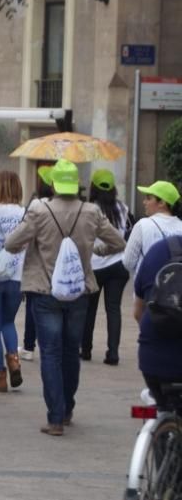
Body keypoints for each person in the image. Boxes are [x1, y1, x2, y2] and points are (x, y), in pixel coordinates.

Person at [5, 159, 125, 436]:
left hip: (45, 292)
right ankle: (68, 409)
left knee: (50, 352)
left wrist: (33, 245)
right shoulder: (91, 211)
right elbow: (118, 242)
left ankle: (55, 418)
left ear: (54, 184)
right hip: (79, 292)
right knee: (71, 352)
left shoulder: (39, 211)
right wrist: (96, 250)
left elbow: (11, 244)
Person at [81, 169, 132, 365]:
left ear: (93, 187)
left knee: (89, 309)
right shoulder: (123, 208)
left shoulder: (88, 209)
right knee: (113, 308)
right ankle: (113, 353)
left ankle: (85, 350)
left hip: (94, 266)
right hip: (118, 265)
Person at [0, 171, 26, 393]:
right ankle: (14, 361)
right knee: (8, 322)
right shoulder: (25, 212)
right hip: (16, 274)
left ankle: (0, 377)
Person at [133, 235, 182, 408]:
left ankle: (158, 426)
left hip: (153, 358)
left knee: (162, 405)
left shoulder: (159, 249)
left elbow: (138, 312)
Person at [20, 165, 56, 361]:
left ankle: (28, 346)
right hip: (55, 266)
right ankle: (49, 344)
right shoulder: (59, 206)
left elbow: (24, 234)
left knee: (32, 307)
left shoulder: (35, 206)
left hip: (36, 265)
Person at [123, 180, 182, 276]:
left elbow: (128, 262)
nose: (144, 202)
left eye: (148, 198)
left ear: (162, 203)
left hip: (149, 288)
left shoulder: (142, 225)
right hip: (176, 287)